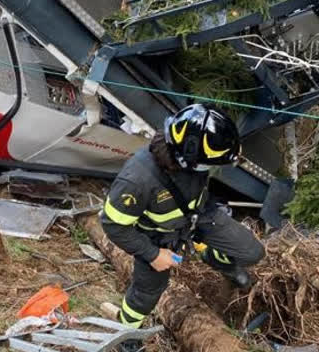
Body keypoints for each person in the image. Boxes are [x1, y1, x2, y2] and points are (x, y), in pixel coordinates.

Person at [102, 104, 265, 351]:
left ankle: (214, 257)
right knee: (145, 295)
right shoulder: (136, 181)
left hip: (198, 215)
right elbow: (113, 225)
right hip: (158, 238)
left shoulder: (195, 148)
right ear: (186, 157)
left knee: (252, 252)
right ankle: (126, 337)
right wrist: (153, 254)